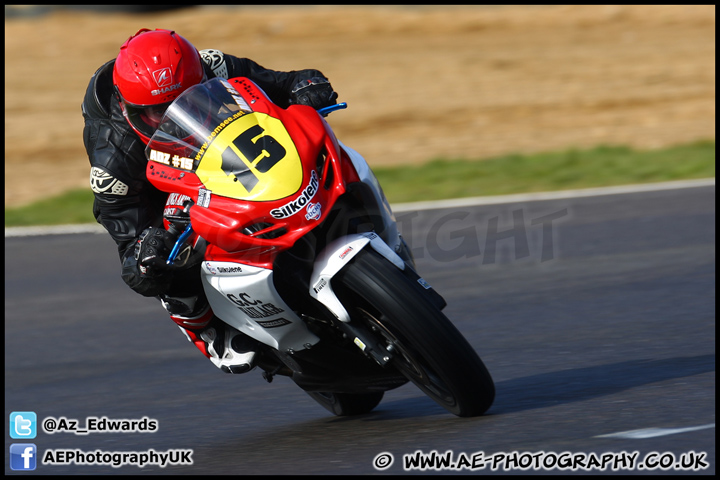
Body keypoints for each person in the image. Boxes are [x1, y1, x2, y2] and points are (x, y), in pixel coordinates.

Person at [81, 28, 338, 374]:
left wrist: (305, 85)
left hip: (224, 147)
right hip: (162, 183)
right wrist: (146, 248)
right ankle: (207, 330)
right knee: (156, 259)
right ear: (131, 111)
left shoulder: (209, 65)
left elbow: (277, 84)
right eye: (159, 113)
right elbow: (128, 244)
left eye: (188, 96)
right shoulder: (112, 156)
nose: (172, 116)